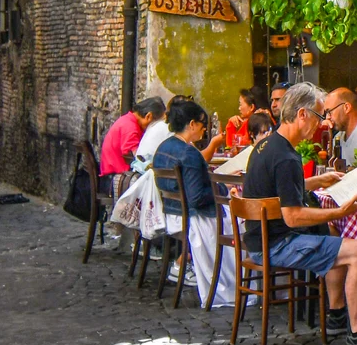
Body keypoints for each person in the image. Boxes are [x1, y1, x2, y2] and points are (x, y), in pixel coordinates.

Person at [243, 83, 357, 345]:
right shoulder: (286, 156)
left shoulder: (268, 146)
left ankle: (337, 315)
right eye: (320, 116)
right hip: (276, 244)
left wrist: (313, 181)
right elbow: (293, 216)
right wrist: (340, 212)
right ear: (302, 114)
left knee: (333, 236)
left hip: (261, 239)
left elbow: (279, 190)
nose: (323, 124)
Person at [152, 97, 237, 307]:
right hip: (192, 217)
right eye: (201, 125)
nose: (204, 131)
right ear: (191, 124)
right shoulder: (188, 153)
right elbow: (197, 197)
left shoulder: (164, 146)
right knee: (241, 222)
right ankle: (241, 283)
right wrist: (223, 188)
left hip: (172, 212)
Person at [98, 97, 164, 179]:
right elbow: (133, 156)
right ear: (148, 116)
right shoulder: (130, 127)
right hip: (116, 177)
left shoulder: (127, 120)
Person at [224, 87, 263, 153]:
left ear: (251, 107)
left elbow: (232, 149)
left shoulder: (259, 122)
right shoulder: (244, 122)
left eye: (240, 104)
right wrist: (231, 124)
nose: (239, 108)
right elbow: (230, 148)